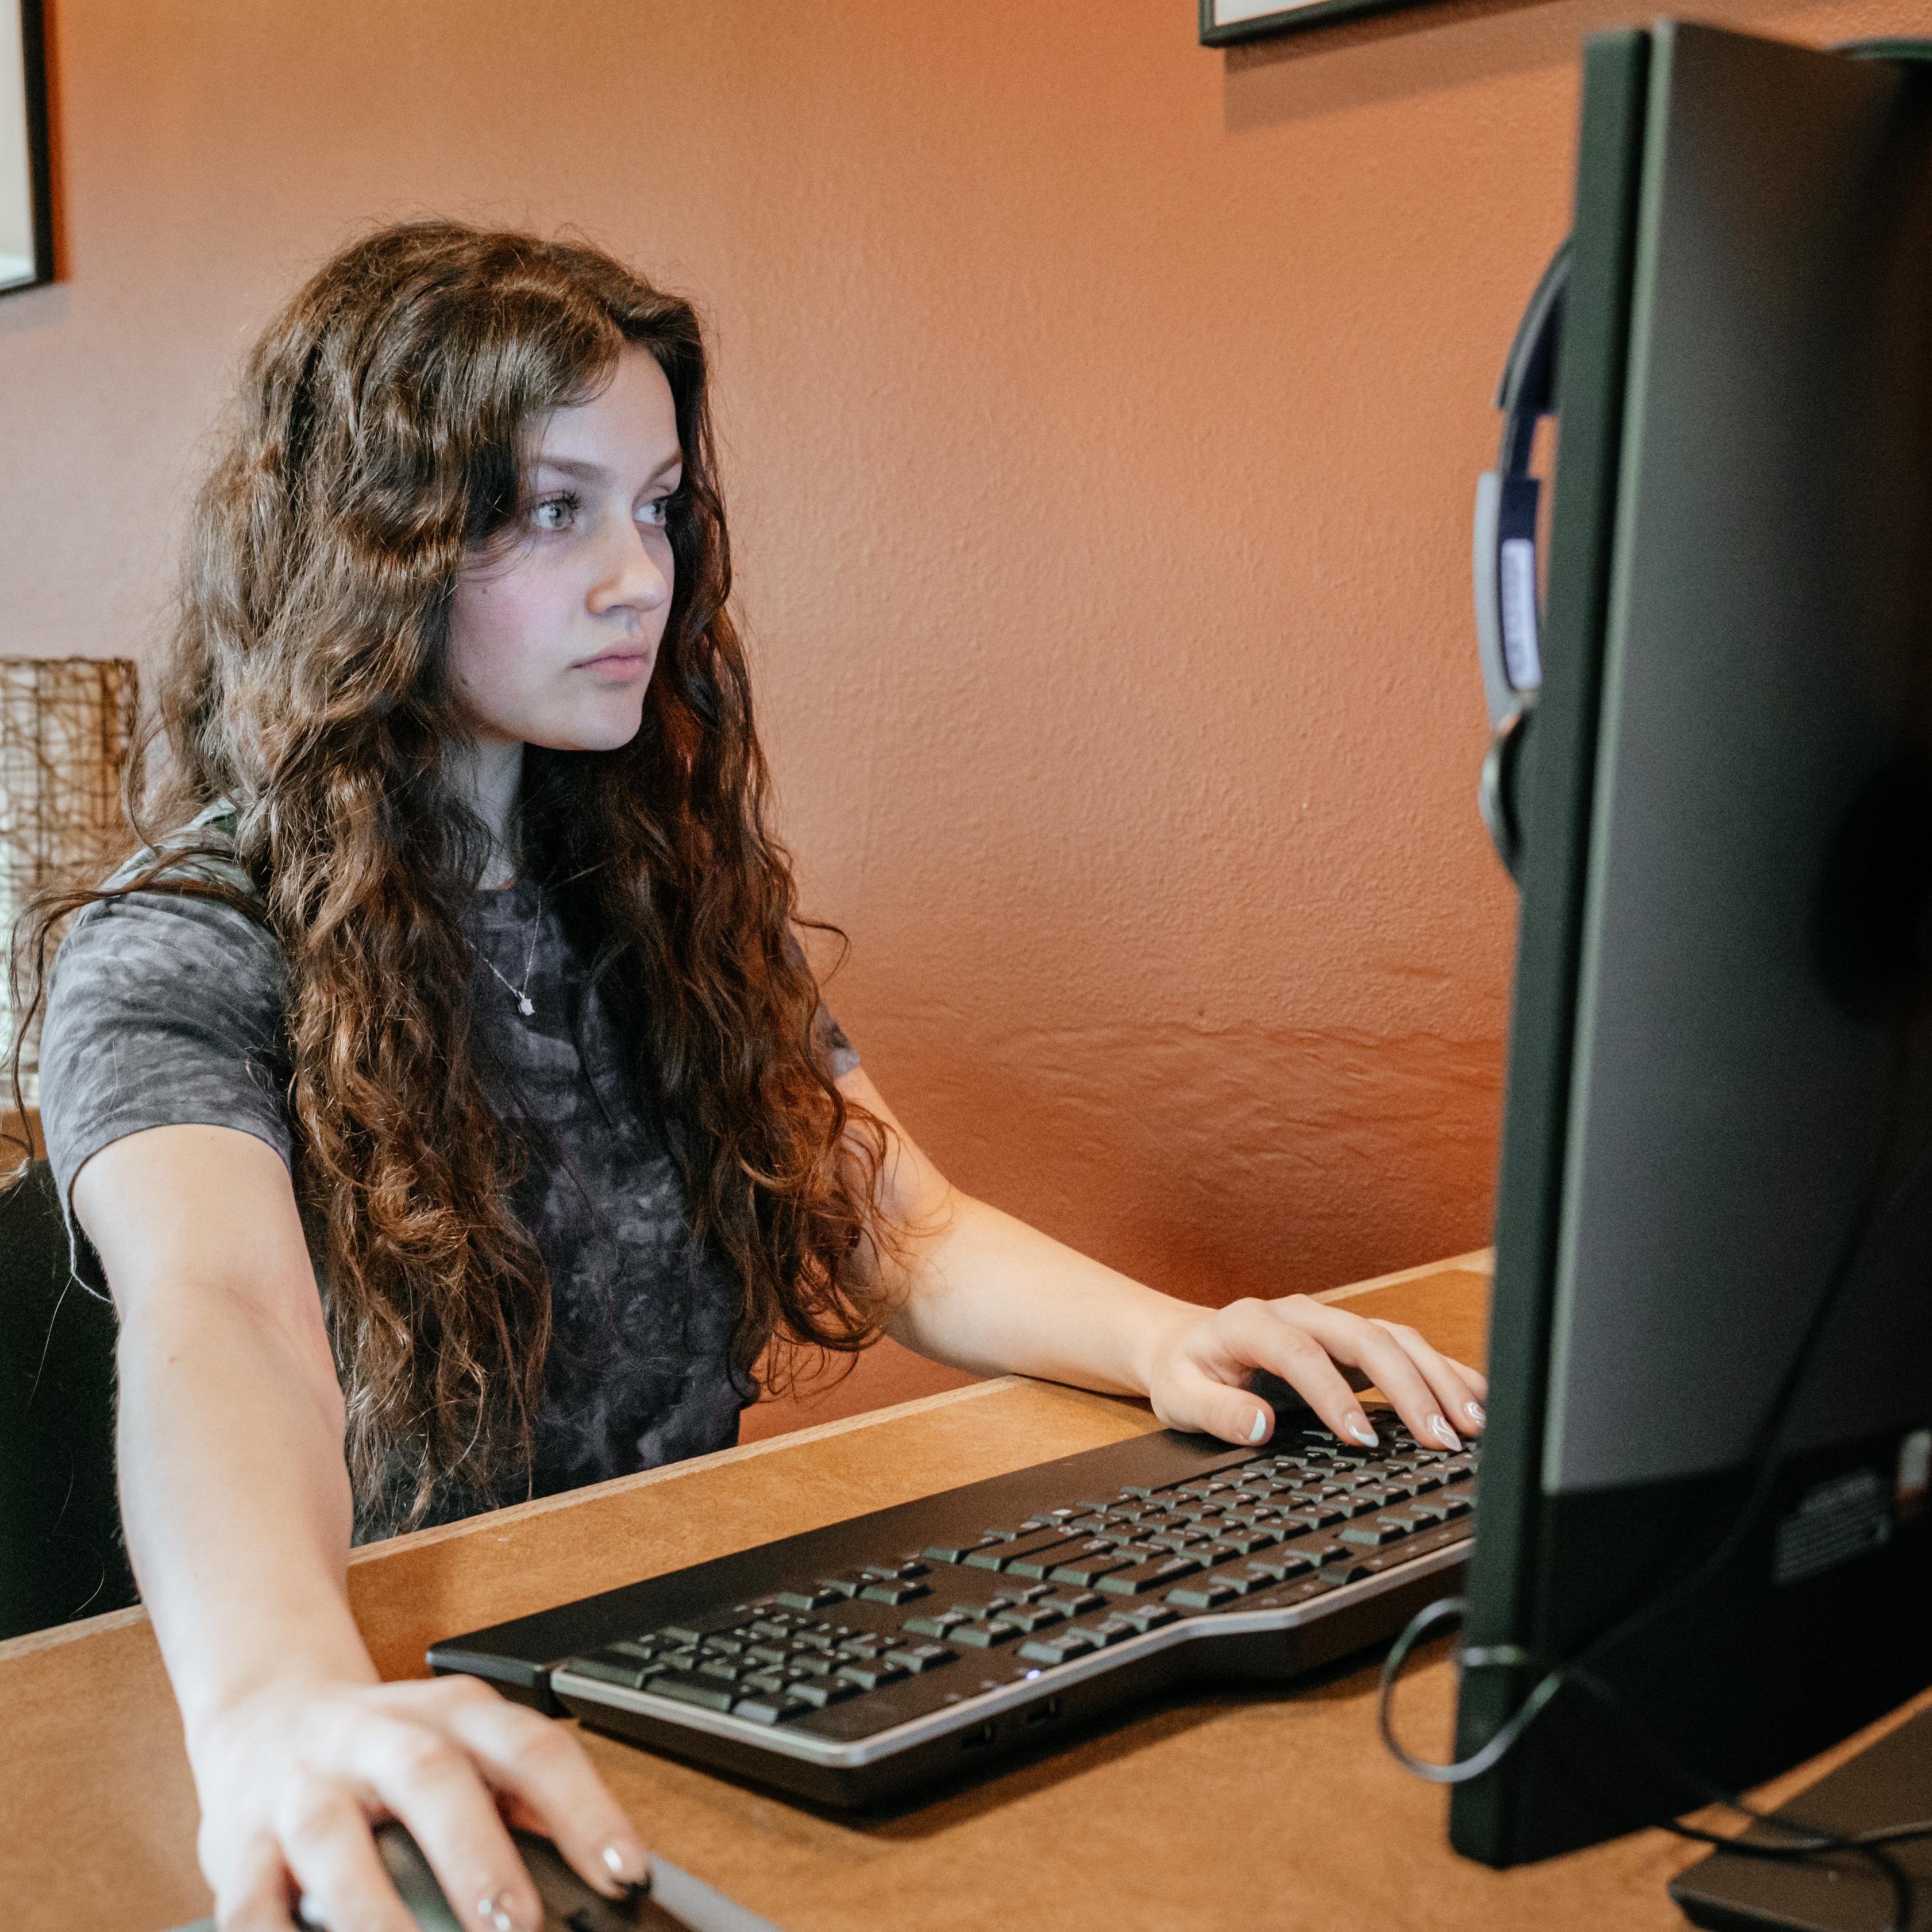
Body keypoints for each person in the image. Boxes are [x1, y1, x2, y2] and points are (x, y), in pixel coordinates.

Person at [11, 222, 1487, 1932]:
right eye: (552, 509)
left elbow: (889, 1218)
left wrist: (1169, 1336)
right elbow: (228, 1316)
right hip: (394, 1691)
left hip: (670, 1651)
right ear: (373, 543)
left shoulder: (652, 872)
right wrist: (275, 1700)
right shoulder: (181, 940)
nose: (636, 576)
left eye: (652, 508)